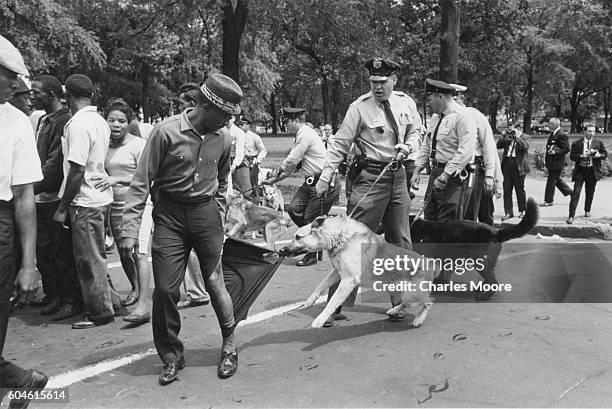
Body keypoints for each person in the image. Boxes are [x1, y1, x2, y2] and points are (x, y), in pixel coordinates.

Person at [121, 74, 242, 385]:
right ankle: (171, 355)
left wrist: (218, 210)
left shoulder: (224, 139)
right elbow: (140, 183)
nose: (229, 121)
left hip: (205, 215)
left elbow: (223, 177)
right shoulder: (165, 133)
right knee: (165, 289)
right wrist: (129, 230)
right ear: (205, 106)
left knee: (215, 282)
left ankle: (229, 345)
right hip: (170, 217)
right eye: (225, 114)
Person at [316, 57, 423, 323]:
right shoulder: (359, 108)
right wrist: (325, 176)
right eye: (373, 82)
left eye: (383, 82)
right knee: (350, 241)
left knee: (400, 241)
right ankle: (334, 307)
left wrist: (408, 147)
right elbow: (340, 144)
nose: (377, 87)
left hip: (397, 178)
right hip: (370, 178)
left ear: (394, 80)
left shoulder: (405, 102)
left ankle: (399, 302)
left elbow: (417, 131)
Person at [0, 34, 48, 408]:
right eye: (9, 76)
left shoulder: (16, 122)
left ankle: (18, 383)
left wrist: (28, 264)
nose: (16, 85)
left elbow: (24, 196)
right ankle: (19, 382)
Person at [52, 74, 119, 329]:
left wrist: (61, 208)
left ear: (68, 95)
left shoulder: (78, 124)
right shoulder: (98, 120)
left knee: (88, 259)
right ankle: (111, 300)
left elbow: (76, 171)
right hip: (100, 198)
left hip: (86, 200)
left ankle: (100, 311)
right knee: (97, 254)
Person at [93, 99, 153, 324]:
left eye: (121, 120)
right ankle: (136, 289)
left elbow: (147, 176)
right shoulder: (104, 145)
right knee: (123, 251)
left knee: (138, 251)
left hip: (139, 205)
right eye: (111, 120)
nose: (116, 124)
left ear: (129, 123)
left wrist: (117, 178)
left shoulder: (138, 145)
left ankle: (143, 304)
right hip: (115, 205)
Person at [30, 74, 83, 320]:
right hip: (40, 197)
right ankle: (53, 294)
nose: (32, 96)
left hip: (53, 196)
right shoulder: (43, 120)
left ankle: (69, 299)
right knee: (44, 251)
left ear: (51, 95)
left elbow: (54, 166)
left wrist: (28, 188)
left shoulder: (64, 121)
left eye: (36, 92)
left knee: (60, 252)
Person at [266, 107, 340, 266]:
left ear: (296, 120)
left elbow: (292, 160)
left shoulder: (305, 134)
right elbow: (294, 167)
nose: (285, 125)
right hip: (310, 182)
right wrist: (273, 181)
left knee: (309, 219)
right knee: (293, 209)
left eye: (286, 122)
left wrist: (277, 170)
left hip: (324, 181)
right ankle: (315, 240)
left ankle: (311, 253)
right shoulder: (301, 135)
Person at [411, 79, 477, 222]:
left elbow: (465, 151)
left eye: (430, 100)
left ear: (440, 96)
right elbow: (427, 145)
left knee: (448, 222)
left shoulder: (462, 116)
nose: (428, 104)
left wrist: (445, 175)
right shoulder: (436, 117)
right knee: (430, 218)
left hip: (453, 177)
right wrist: (417, 170)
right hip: (435, 173)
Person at [174, 82, 211, 310]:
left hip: (200, 201)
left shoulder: (215, 133)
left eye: (182, 104)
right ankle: (198, 289)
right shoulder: (174, 130)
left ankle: (198, 291)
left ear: (194, 104)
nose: (179, 109)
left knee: (193, 249)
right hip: (193, 200)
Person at [450, 84, 497, 221]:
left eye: (454, 98)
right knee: (453, 213)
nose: (452, 103)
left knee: (469, 213)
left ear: (462, 97)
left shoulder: (475, 116)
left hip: (471, 168)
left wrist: (489, 175)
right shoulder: (445, 117)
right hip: (451, 167)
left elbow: (489, 146)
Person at [566, 123, 608, 224]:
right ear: (584, 131)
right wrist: (581, 156)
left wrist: (597, 155)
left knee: (590, 192)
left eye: (593, 131)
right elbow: (572, 156)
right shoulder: (577, 143)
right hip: (580, 171)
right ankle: (571, 215)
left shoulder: (598, 142)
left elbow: (604, 154)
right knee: (576, 192)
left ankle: (587, 210)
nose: (592, 133)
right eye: (590, 131)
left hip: (592, 171)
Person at [497, 123, 530, 220]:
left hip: (518, 165)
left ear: (519, 128)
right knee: (507, 190)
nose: (511, 130)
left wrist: (516, 137)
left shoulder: (525, 136)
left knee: (520, 189)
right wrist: (503, 136)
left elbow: (525, 146)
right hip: (507, 163)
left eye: (514, 128)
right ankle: (508, 212)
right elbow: (498, 146)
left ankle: (523, 210)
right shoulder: (507, 137)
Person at [541, 117, 572, 206]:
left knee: (551, 181)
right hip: (551, 162)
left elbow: (566, 148)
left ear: (555, 125)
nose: (548, 125)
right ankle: (571, 193)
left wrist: (556, 152)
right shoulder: (553, 133)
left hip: (557, 162)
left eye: (550, 124)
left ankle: (548, 200)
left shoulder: (562, 134)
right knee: (556, 180)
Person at [237, 115, 267, 204]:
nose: (240, 127)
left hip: (252, 163)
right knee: (242, 185)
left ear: (248, 126)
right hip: (241, 163)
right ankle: (246, 204)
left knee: (253, 184)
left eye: (242, 125)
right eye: (239, 125)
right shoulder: (238, 136)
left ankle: (256, 203)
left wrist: (258, 159)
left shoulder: (255, 137)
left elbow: (263, 150)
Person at [227, 116, 251, 199]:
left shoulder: (238, 132)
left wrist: (234, 166)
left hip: (239, 162)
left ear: (233, 118)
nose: (227, 120)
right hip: (224, 161)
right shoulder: (219, 130)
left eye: (229, 118)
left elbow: (240, 153)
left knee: (246, 192)